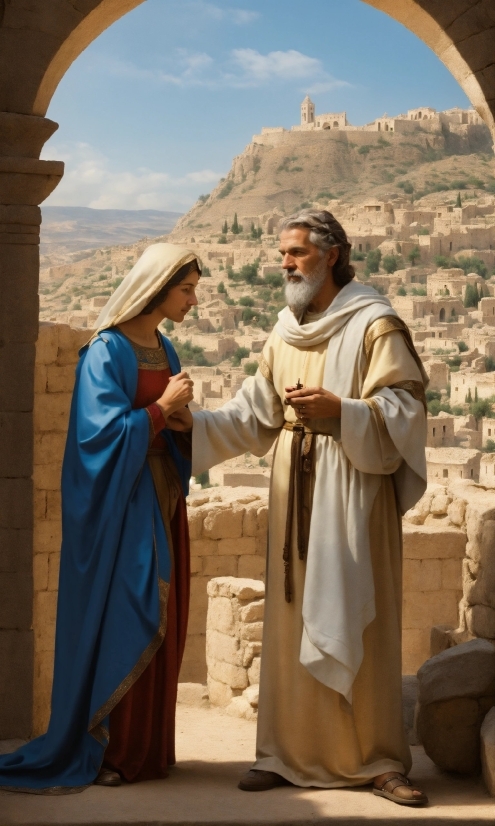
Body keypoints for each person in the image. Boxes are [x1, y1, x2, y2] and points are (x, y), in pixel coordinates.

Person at [178, 211, 429, 806]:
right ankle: (285, 755)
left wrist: (343, 412)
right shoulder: (284, 331)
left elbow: (407, 410)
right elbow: (255, 413)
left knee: (357, 612)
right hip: (295, 487)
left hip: (355, 489)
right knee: (292, 619)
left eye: (296, 253)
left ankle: (377, 759)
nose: (285, 264)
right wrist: (193, 426)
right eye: (283, 255)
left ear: (334, 254)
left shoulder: (375, 324)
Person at [0, 243, 199, 793]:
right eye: (186, 289)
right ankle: (110, 748)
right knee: (130, 613)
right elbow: (98, 438)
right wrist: (161, 411)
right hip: (125, 506)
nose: (193, 299)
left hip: (162, 498)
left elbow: (170, 421)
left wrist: (180, 422)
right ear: (157, 287)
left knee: (165, 613)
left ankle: (148, 750)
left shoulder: (165, 348)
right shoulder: (106, 350)